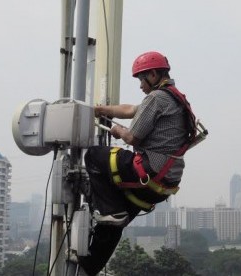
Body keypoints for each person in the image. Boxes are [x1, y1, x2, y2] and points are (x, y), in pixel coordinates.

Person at [77, 51, 196, 275]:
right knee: (112, 224)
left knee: (94, 156)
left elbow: (132, 137)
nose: (141, 85)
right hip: (163, 185)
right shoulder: (174, 99)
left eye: (142, 79)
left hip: (149, 170)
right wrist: (101, 111)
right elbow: (131, 110)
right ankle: (89, 267)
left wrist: (118, 130)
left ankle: (110, 210)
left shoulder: (157, 98)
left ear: (153, 74)